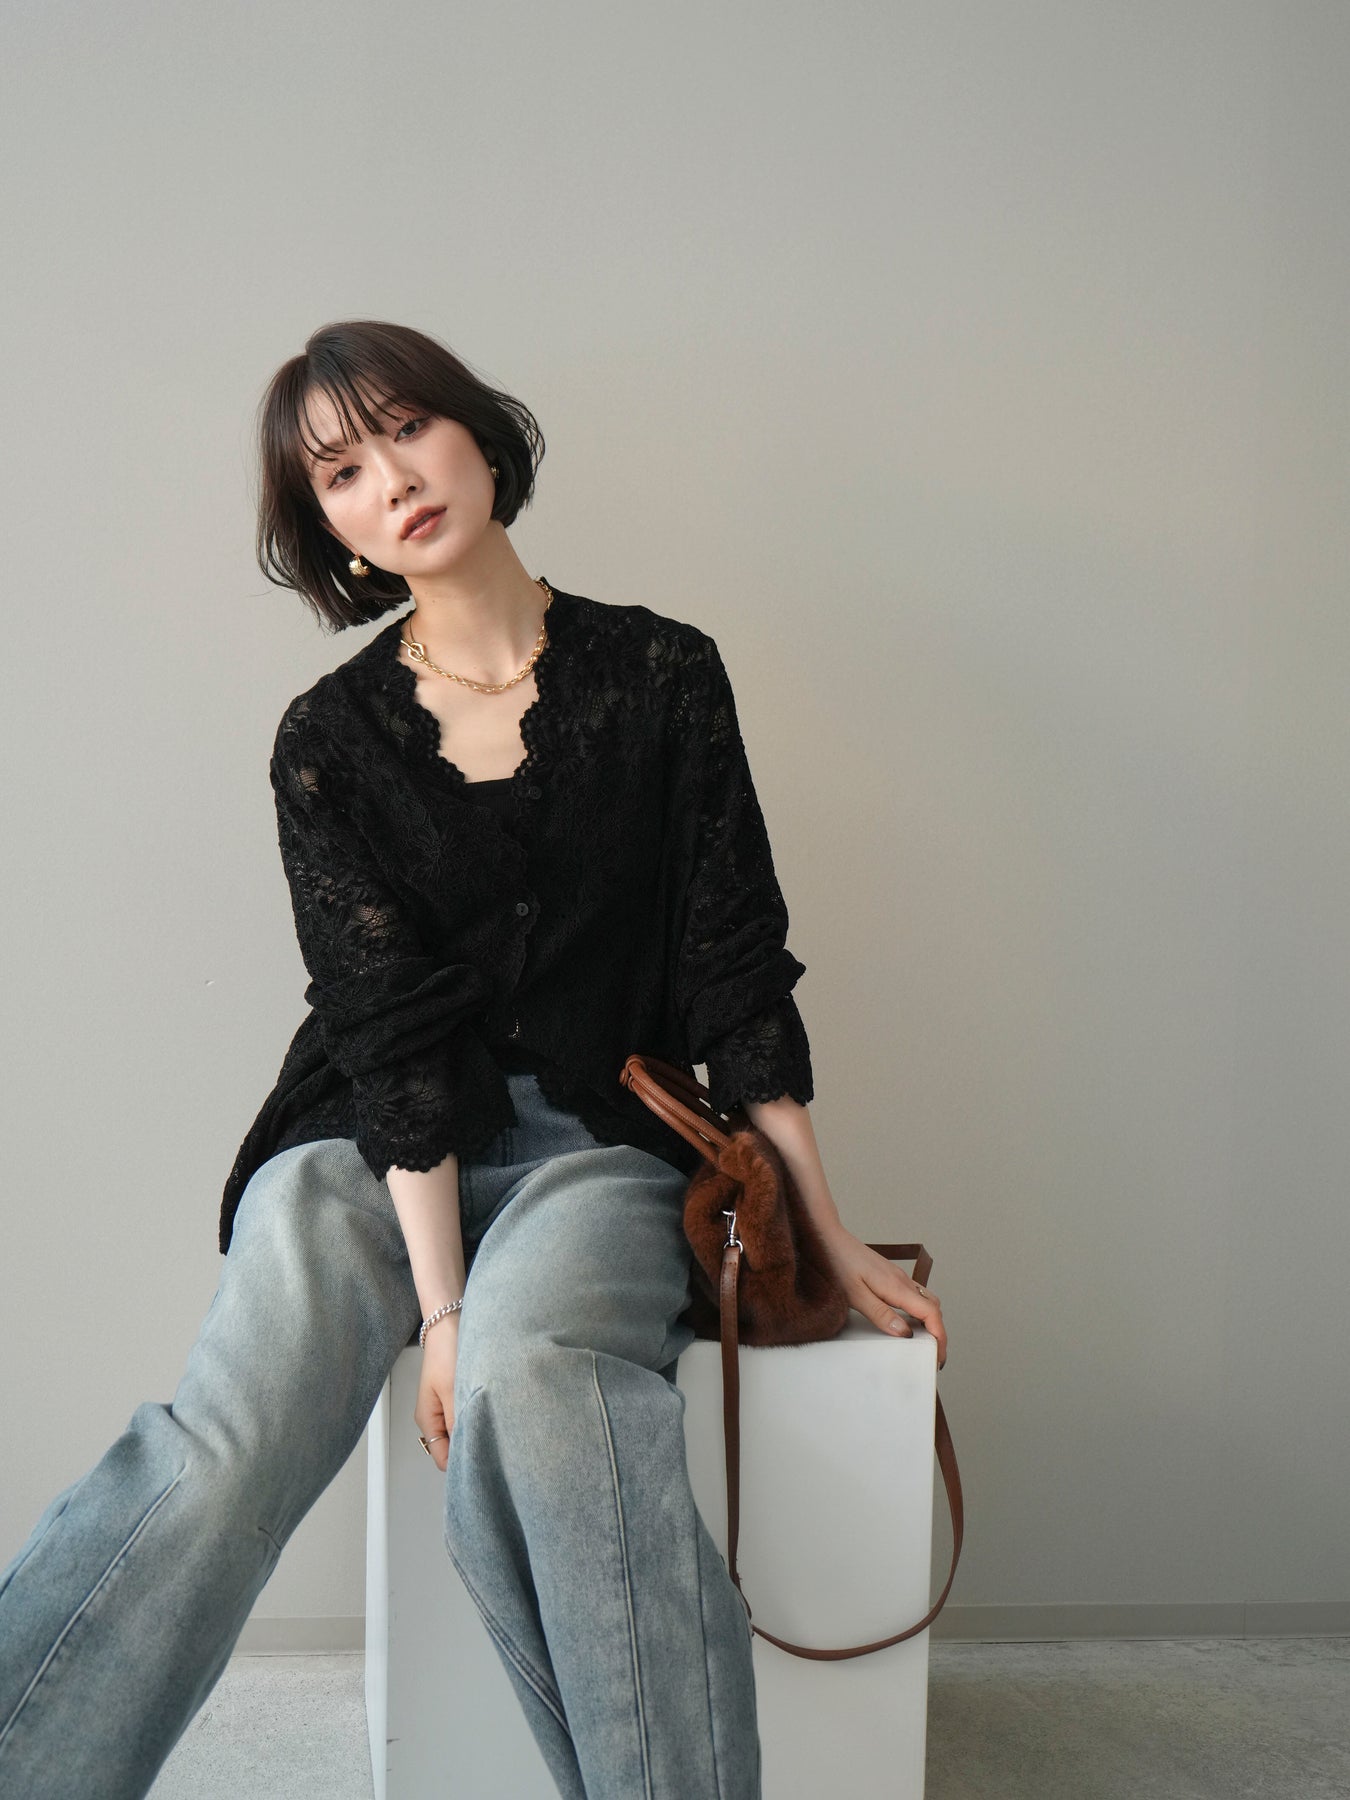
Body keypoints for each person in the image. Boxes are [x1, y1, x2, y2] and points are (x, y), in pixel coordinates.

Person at [0, 319, 948, 1800]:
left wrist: (822, 1231)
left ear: (478, 436)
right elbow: (386, 1029)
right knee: (231, 1440)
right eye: (340, 472)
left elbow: (734, 969)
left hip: (598, 1145)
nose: (390, 480)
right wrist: (438, 1306)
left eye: (405, 429)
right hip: (362, 1151)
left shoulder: (664, 674)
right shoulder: (327, 740)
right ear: (333, 532)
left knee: (540, 1378)